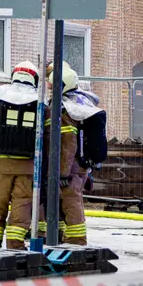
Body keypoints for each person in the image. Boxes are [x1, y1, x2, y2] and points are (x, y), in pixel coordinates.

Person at [0, 61, 41, 250]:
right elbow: (46, 135)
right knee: (22, 207)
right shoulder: (40, 102)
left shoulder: (1, 99)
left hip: (2, 166)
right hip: (28, 168)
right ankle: (15, 246)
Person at [39, 62, 100, 246]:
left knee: (70, 200)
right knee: (65, 199)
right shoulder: (80, 102)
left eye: (52, 85)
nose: (50, 89)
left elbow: (67, 144)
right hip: (79, 163)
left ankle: (76, 240)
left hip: (70, 165)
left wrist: (62, 172)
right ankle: (61, 235)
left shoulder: (65, 109)